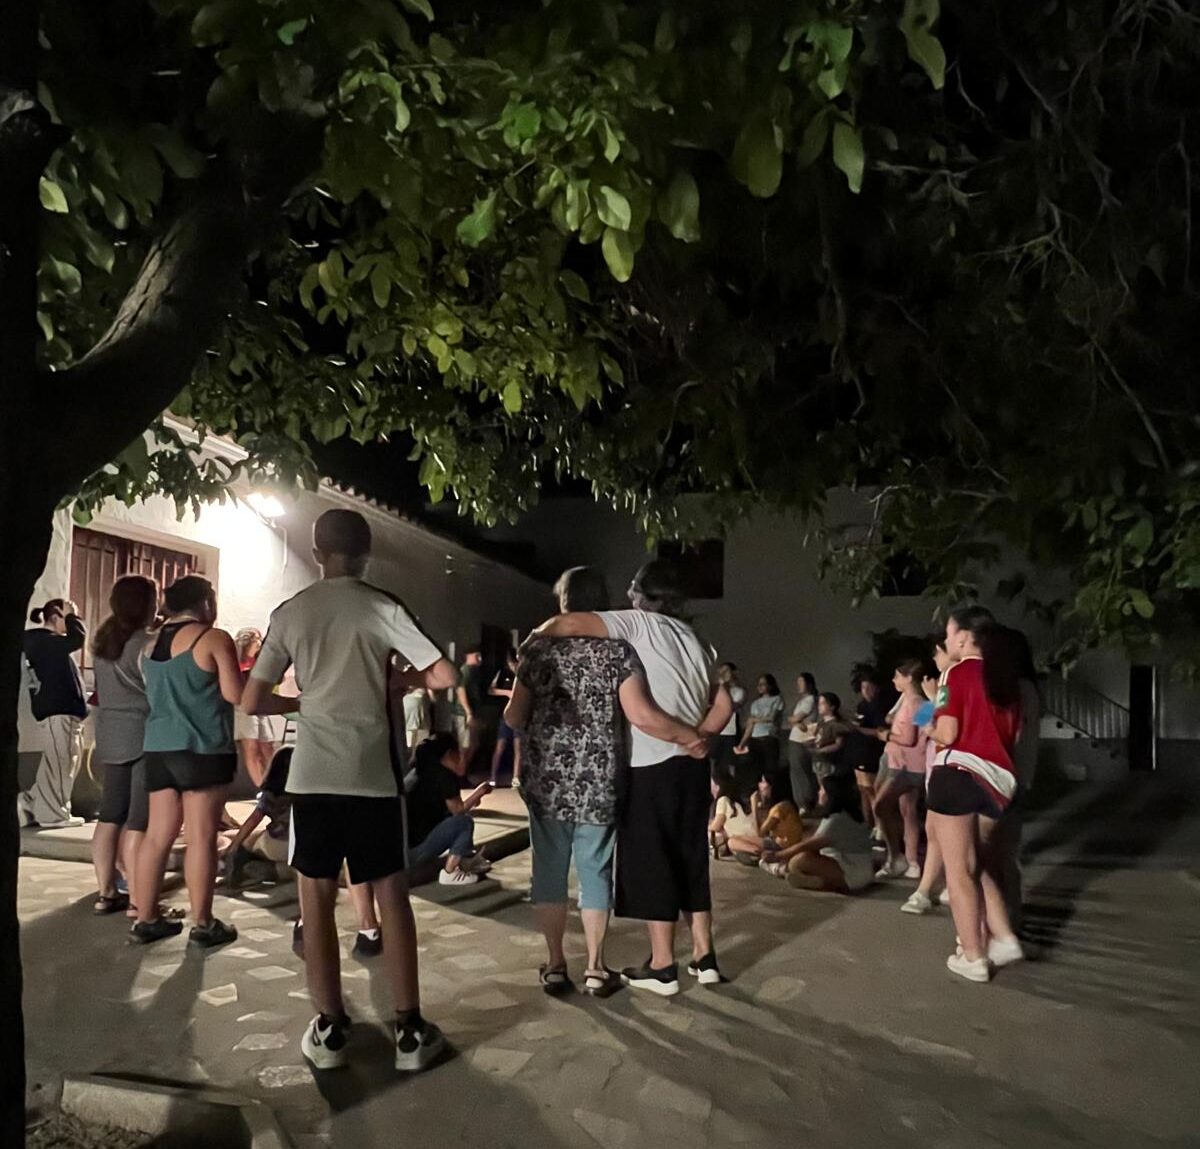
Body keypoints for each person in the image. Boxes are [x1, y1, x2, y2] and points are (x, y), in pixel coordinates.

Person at [242, 508, 458, 1072]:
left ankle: (331, 1027)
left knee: (315, 900)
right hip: (372, 778)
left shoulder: (292, 612)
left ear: (318, 553)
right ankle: (409, 1029)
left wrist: (302, 703)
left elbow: (251, 699)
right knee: (391, 897)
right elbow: (445, 676)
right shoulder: (382, 606)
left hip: (312, 777)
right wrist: (402, 679)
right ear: (367, 554)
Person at [507, 565, 709, 999]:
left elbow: (514, 716)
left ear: (564, 601)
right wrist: (686, 736)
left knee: (549, 871)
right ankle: (596, 967)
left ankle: (556, 964)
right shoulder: (618, 652)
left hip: (547, 781)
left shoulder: (538, 653)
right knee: (595, 870)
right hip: (599, 778)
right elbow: (638, 713)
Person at [132, 576, 242, 949]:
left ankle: (146, 918)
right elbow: (235, 694)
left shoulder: (148, 646)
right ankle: (204, 923)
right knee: (201, 839)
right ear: (205, 602)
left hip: (158, 747)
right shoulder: (213, 639)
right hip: (203, 749)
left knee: (157, 836)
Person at [928, 606, 1024, 982]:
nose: (946, 640)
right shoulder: (1007, 679)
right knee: (976, 864)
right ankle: (1002, 936)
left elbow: (946, 732)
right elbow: (1014, 736)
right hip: (997, 782)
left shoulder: (955, 673)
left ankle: (973, 956)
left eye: (949, 634)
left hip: (957, 775)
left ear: (965, 637)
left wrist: (927, 716)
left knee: (958, 873)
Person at [90, 576, 157, 917]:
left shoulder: (103, 643)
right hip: (142, 736)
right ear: (146, 605)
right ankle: (138, 900)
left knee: (109, 815)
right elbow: (157, 690)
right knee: (138, 821)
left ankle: (105, 893)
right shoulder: (146, 644)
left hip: (110, 736)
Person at [18, 598, 88, 828]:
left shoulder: (47, 643)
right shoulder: (43, 641)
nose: (73, 621)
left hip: (62, 711)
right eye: (68, 617)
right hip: (58, 711)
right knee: (61, 763)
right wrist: (71, 615)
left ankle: (30, 804)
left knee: (59, 762)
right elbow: (78, 639)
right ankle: (53, 815)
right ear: (56, 616)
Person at [902, 639, 955, 914]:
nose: (935, 658)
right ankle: (941, 884)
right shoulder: (940, 686)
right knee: (935, 831)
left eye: (938, 652)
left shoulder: (949, 685)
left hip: (946, 768)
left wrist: (933, 699)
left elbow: (933, 726)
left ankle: (926, 890)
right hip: (935, 768)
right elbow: (921, 722)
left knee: (938, 830)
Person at [762, 773, 874, 894]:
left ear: (831, 794)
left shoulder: (837, 820)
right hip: (857, 867)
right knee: (799, 859)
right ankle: (813, 880)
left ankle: (820, 882)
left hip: (853, 871)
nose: (819, 792)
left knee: (799, 861)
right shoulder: (845, 814)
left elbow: (809, 844)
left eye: (822, 789)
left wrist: (778, 855)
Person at [406, 731, 493, 884]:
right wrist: (480, 791)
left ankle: (466, 859)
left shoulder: (417, 772)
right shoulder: (443, 775)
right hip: (415, 852)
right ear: (449, 754)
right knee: (464, 823)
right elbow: (458, 809)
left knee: (451, 819)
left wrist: (474, 799)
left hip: (402, 851)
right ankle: (450, 872)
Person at [996, 628, 1039, 931]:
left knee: (1002, 853)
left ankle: (1007, 920)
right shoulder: (1027, 688)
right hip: (1018, 775)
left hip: (1008, 775)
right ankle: (1010, 915)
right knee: (1006, 851)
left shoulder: (1017, 689)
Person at [872, 660, 929, 880]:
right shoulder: (920, 702)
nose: (894, 680)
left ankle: (896, 857)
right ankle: (911, 861)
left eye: (897, 676)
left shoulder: (914, 702)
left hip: (905, 766)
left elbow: (909, 738)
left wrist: (886, 735)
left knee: (880, 806)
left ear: (908, 678)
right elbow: (923, 732)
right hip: (913, 764)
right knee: (908, 811)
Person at [223, 744, 294, 887]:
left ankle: (241, 863)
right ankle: (274, 870)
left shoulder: (271, 794)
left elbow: (253, 820)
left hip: (276, 842)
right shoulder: (312, 794)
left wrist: (234, 846)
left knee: (250, 840)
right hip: (303, 846)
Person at [233, 628, 285, 787]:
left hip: (260, 705)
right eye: (256, 639)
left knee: (268, 745)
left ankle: (271, 784)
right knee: (252, 746)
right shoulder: (236, 661)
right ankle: (261, 786)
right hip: (243, 706)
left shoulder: (259, 661)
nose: (259, 642)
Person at [845, 669, 889, 833]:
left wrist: (861, 729)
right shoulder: (862, 705)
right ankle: (870, 827)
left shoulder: (881, 705)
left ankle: (880, 828)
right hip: (860, 752)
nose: (866, 691)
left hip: (873, 754)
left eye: (869, 687)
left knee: (873, 792)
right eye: (863, 688)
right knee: (864, 790)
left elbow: (881, 731)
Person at [734, 674, 785, 800]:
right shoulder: (755, 703)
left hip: (769, 738)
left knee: (770, 770)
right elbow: (750, 726)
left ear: (770, 685)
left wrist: (755, 720)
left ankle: (770, 798)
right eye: (759, 684)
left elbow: (772, 718)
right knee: (755, 770)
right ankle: (756, 799)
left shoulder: (777, 699)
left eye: (763, 684)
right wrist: (742, 743)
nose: (760, 687)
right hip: (755, 739)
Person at [487, 650, 522, 786]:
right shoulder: (502, 673)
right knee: (500, 746)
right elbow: (491, 690)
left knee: (518, 746)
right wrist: (507, 692)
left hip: (519, 714)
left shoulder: (523, 674)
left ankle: (516, 777)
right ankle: (493, 777)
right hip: (504, 715)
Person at [786, 672, 819, 812]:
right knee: (796, 771)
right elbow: (791, 720)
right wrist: (795, 722)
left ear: (809, 684)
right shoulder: (802, 701)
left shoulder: (810, 700)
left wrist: (795, 721)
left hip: (802, 739)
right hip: (795, 738)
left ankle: (806, 802)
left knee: (802, 771)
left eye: (801, 682)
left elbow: (794, 718)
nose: (798, 685)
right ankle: (801, 802)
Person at [711, 662, 746, 793]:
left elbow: (732, 706)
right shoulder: (715, 690)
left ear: (733, 673)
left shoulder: (739, 691)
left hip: (731, 731)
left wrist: (723, 687)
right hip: (716, 730)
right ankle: (714, 789)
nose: (723, 674)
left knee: (730, 762)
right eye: (721, 671)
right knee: (713, 761)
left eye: (726, 671)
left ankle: (732, 791)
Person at [451, 646, 485, 771]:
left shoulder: (474, 671)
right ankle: (460, 772)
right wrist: (468, 712)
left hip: (473, 712)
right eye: (477, 655)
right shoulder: (465, 671)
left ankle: (463, 770)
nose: (479, 658)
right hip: (463, 714)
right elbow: (460, 690)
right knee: (465, 746)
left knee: (474, 744)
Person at [810, 692, 851, 779]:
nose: (819, 706)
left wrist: (822, 750)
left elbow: (839, 744)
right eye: (819, 703)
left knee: (827, 784)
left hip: (829, 761)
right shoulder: (821, 723)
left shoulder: (836, 724)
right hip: (818, 760)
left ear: (832, 707)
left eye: (822, 703)